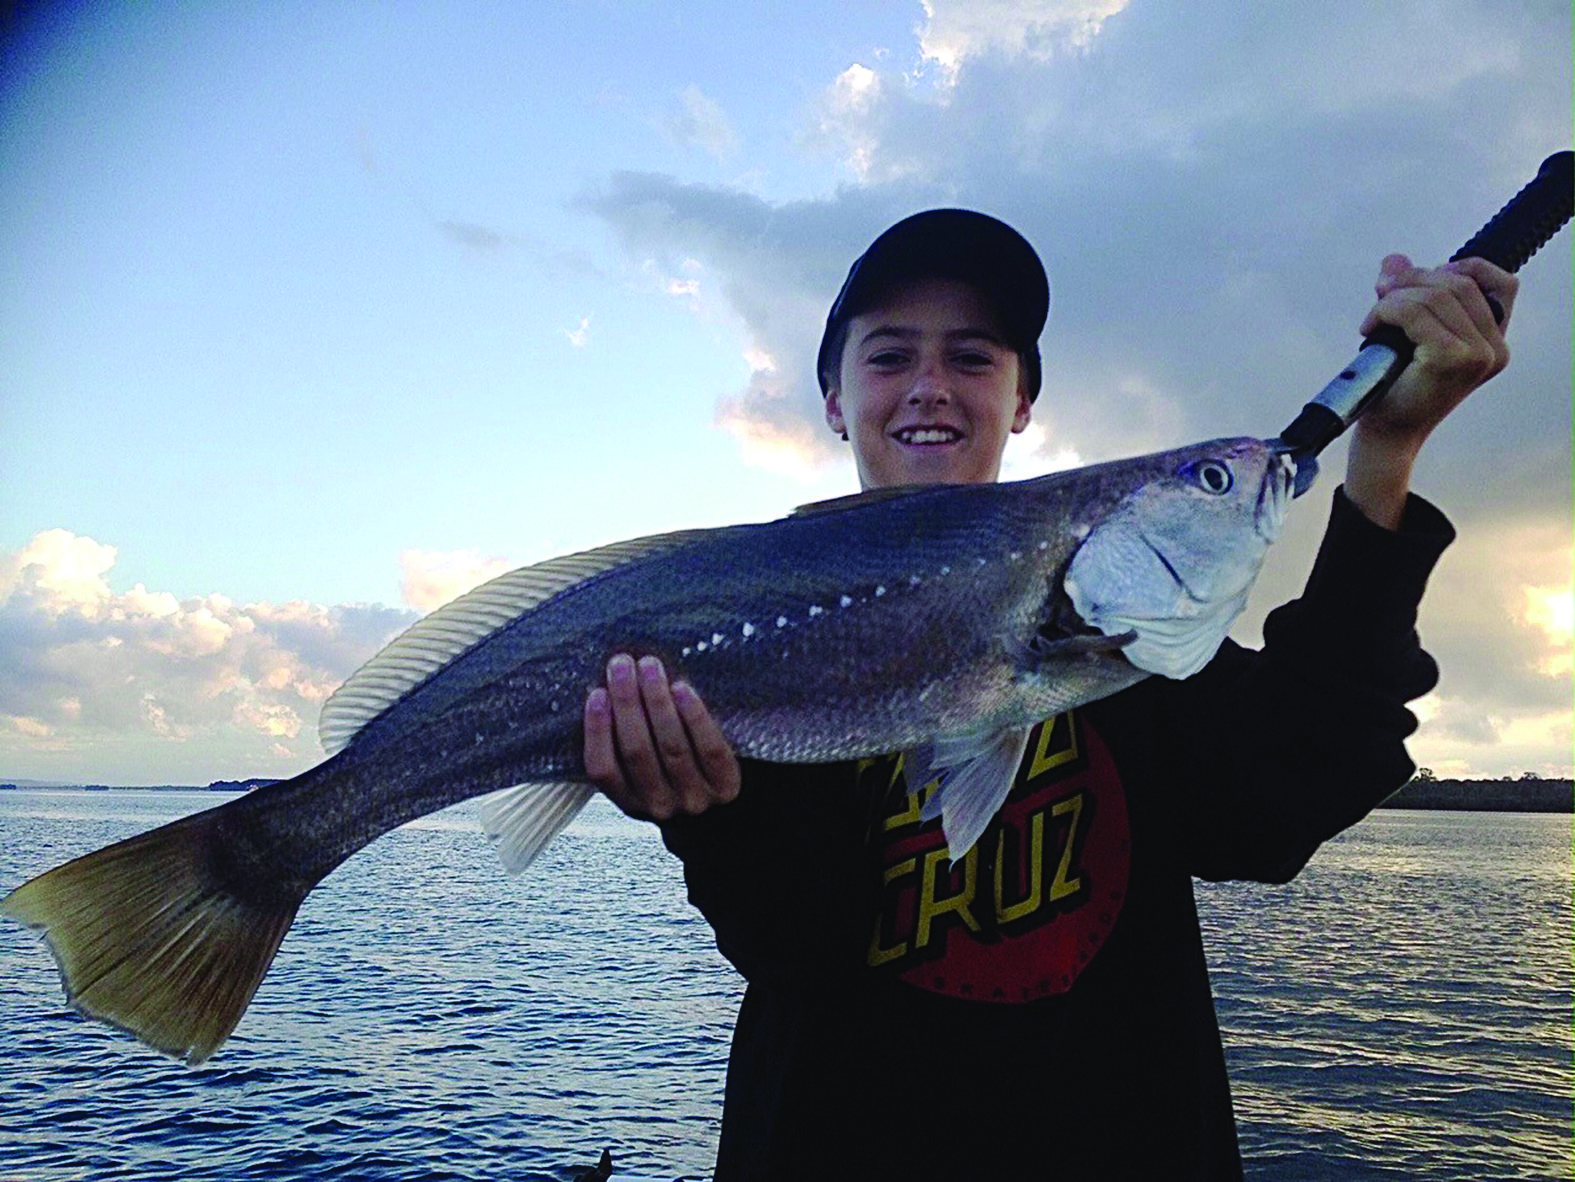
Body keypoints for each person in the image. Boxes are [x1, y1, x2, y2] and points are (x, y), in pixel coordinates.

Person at [580, 210, 1516, 1178]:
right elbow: (800, 948)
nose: (931, 388)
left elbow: (1283, 799)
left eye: (975, 359)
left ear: (1023, 400)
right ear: (833, 398)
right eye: (890, 356)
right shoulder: (756, 635)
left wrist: (1386, 455)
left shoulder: (1130, 642)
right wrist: (709, 813)